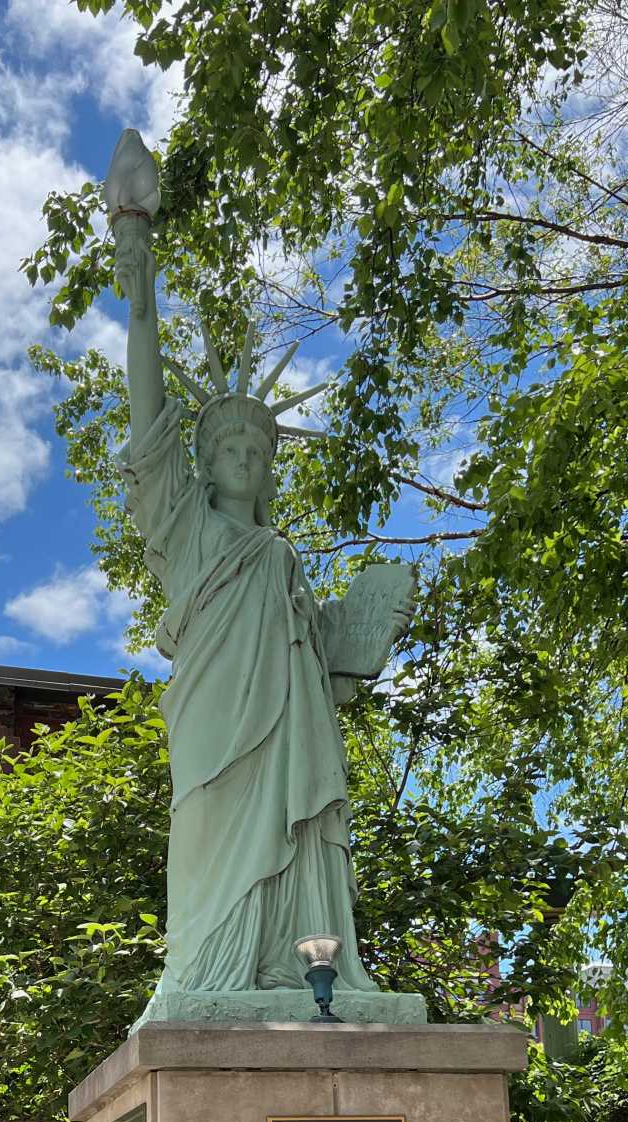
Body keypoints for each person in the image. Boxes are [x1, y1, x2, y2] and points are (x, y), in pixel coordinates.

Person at [114, 213, 416, 1015]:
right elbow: (148, 425)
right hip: (214, 723)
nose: (244, 460)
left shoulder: (279, 555)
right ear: (205, 464)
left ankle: (299, 968)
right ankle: (208, 973)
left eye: (257, 452)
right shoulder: (186, 528)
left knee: (298, 833)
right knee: (205, 843)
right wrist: (141, 301)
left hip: (287, 729)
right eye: (229, 450)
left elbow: (318, 659)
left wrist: (365, 632)